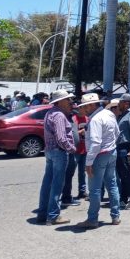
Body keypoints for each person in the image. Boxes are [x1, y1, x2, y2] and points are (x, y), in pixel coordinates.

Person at [75, 93, 121, 229]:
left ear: (90, 105)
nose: (82, 109)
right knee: (112, 185)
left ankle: (92, 219)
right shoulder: (109, 114)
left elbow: (95, 143)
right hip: (111, 152)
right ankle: (115, 216)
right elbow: (117, 133)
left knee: (95, 189)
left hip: (99, 155)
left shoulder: (95, 119)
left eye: (84, 106)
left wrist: (88, 162)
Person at [37, 90, 77, 225]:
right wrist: (71, 149)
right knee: (57, 185)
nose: (70, 102)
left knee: (47, 183)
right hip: (59, 152)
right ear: (60, 102)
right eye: (67, 100)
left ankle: (43, 213)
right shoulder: (59, 115)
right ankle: (53, 215)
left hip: (50, 151)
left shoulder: (50, 113)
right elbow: (61, 138)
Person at [61, 108, 88, 207]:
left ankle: (82, 191)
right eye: (82, 108)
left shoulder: (87, 119)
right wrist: (79, 132)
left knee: (83, 173)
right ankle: (66, 194)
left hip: (85, 149)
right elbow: (69, 134)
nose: (85, 110)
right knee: (69, 174)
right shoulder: (73, 119)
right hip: (75, 151)